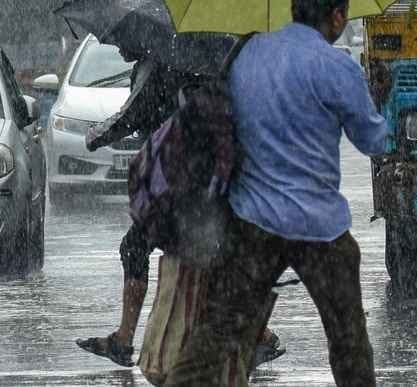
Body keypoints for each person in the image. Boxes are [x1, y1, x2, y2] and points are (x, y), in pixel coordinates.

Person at [165, 0, 392, 386]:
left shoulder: (248, 54)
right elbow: (374, 141)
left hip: (253, 222)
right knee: (348, 342)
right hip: (320, 227)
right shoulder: (337, 67)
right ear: (337, 16)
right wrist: (380, 97)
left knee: (219, 332)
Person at [74, 48, 283, 369]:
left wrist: (95, 137)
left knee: (139, 248)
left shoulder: (157, 65)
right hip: (205, 177)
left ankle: (125, 340)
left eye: (122, 43)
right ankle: (259, 335)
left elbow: (132, 114)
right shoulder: (200, 62)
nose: (118, 48)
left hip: (178, 180)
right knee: (213, 255)